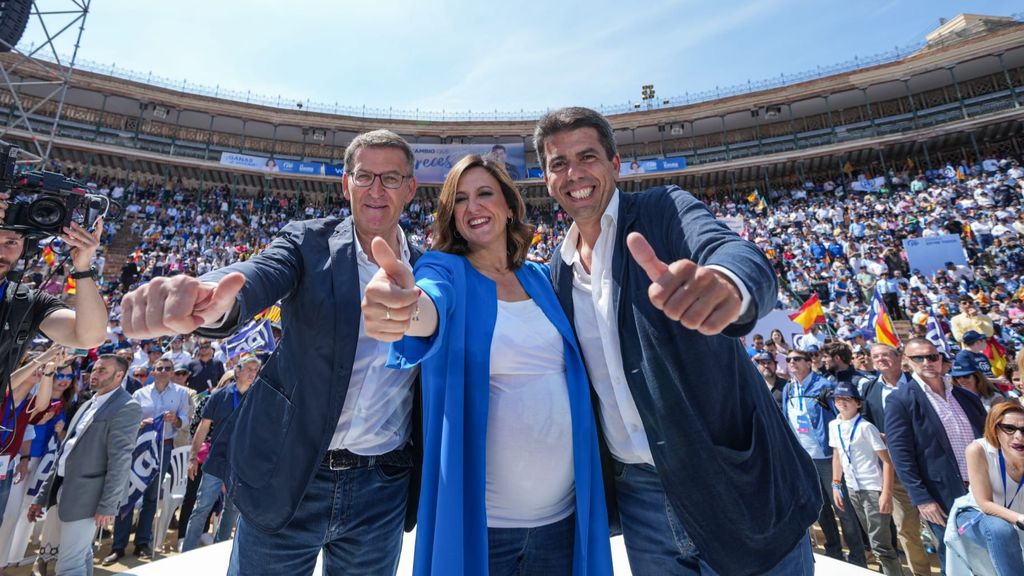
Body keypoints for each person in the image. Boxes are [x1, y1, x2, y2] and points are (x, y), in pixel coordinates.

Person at [119, 130, 423, 576]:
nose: (376, 190)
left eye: (391, 178)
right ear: (345, 184)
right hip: (293, 475)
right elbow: (255, 275)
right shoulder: (307, 243)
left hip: (382, 488)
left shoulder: (429, 267)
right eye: (364, 177)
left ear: (411, 188)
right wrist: (210, 299)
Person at [537, 107, 819, 575]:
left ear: (615, 163)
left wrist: (727, 286)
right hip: (640, 499)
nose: (574, 173)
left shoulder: (662, 209)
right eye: (558, 163)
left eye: (587, 156)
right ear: (546, 178)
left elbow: (733, 253)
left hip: (732, 483)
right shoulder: (556, 270)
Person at [363, 154, 612, 575]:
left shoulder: (540, 279)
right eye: (460, 200)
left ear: (510, 205)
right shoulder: (445, 270)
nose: (473, 207)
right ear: (451, 215)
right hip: (485, 531)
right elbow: (428, 307)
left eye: (484, 194)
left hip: (563, 523)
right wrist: (405, 308)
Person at [0, 206, 109, 517]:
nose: (3, 250)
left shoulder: (26, 301)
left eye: (12, 242)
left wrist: (83, 265)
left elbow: (89, 335)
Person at [28, 355, 142, 576]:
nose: (94, 374)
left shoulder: (127, 406)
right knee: (80, 558)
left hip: (88, 497)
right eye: (95, 369)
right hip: (64, 489)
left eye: (102, 371)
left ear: (120, 375)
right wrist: (42, 497)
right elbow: (65, 453)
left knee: (68, 565)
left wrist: (108, 505)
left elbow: (120, 461)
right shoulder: (88, 402)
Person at [886, 338, 987, 573]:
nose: (927, 362)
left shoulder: (967, 397)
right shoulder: (900, 400)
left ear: (941, 359)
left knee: (987, 550)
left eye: (932, 356)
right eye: (918, 358)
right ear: (906, 362)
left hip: (983, 488)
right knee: (954, 556)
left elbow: (988, 440)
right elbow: (901, 455)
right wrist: (921, 498)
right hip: (942, 495)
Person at [783, 348, 867, 566]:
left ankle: (857, 555)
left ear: (809, 362)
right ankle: (834, 550)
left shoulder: (825, 386)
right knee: (819, 509)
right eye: (789, 359)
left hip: (827, 457)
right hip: (804, 458)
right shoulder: (788, 389)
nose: (792, 362)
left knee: (843, 508)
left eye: (797, 359)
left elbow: (841, 416)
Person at [104, 356, 190, 564]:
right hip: (139, 447)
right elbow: (128, 419)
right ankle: (119, 545)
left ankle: (142, 542)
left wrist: (175, 420)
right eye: (159, 368)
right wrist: (141, 423)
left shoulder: (181, 394)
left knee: (151, 497)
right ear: (153, 372)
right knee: (128, 493)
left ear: (171, 372)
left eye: (167, 368)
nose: (163, 371)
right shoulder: (139, 393)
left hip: (164, 446)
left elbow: (185, 421)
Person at [860, 344, 930, 576]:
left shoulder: (919, 383)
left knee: (944, 527)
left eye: (885, 355)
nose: (881, 359)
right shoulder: (870, 389)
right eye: (875, 356)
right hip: (897, 472)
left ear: (900, 358)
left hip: (929, 466)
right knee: (907, 530)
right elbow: (866, 424)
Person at [181, 355, 260, 551]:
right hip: (216, 460)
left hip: (241, 464)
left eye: (255, 370)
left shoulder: (258, 397)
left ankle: (219, 551)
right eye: (249, 369)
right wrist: (192, 457)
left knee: (232, 511)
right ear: (238, 371)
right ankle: (187, 552)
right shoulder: (219, 395)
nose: (252, 373)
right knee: (202, 509)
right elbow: (203, 426)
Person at [828, 382, 904, 576]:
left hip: (872, 488)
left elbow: (887, 461)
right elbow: (837, 455)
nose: (842, 403)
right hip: (853, 488)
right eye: (838, 399)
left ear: (858, 404)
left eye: (847, 399)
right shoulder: (834, 425)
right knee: (873, 539)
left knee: (881, 544)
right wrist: (836, 484)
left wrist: (886, 493)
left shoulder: (866, 427)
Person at [946, 402, 1024, 574]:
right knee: (1001, 530)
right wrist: (1019, 517)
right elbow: (984, 504)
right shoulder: (977, 449)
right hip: (976, 514)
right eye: (1009, 428)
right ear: (995, 429)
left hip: (1017, 516)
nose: (1019, 436)